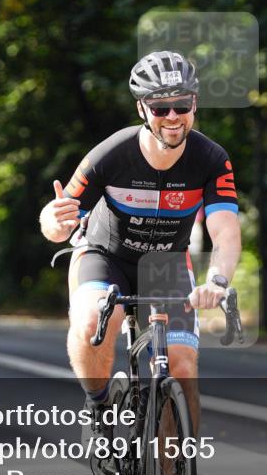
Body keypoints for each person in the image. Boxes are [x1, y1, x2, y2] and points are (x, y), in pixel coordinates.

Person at [39, 51, 242, 439]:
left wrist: (217, 281)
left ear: (194, 104)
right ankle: (98, 407)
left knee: (182, 368)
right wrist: (53, 219)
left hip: (165, 265)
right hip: (105, 256)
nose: (172, 117)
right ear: (142, 108)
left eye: (181, 104)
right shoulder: (111, 154)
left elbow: (226, 232)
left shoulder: (212, 160)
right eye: (160, 107)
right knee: (95, 320)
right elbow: (56, 224)